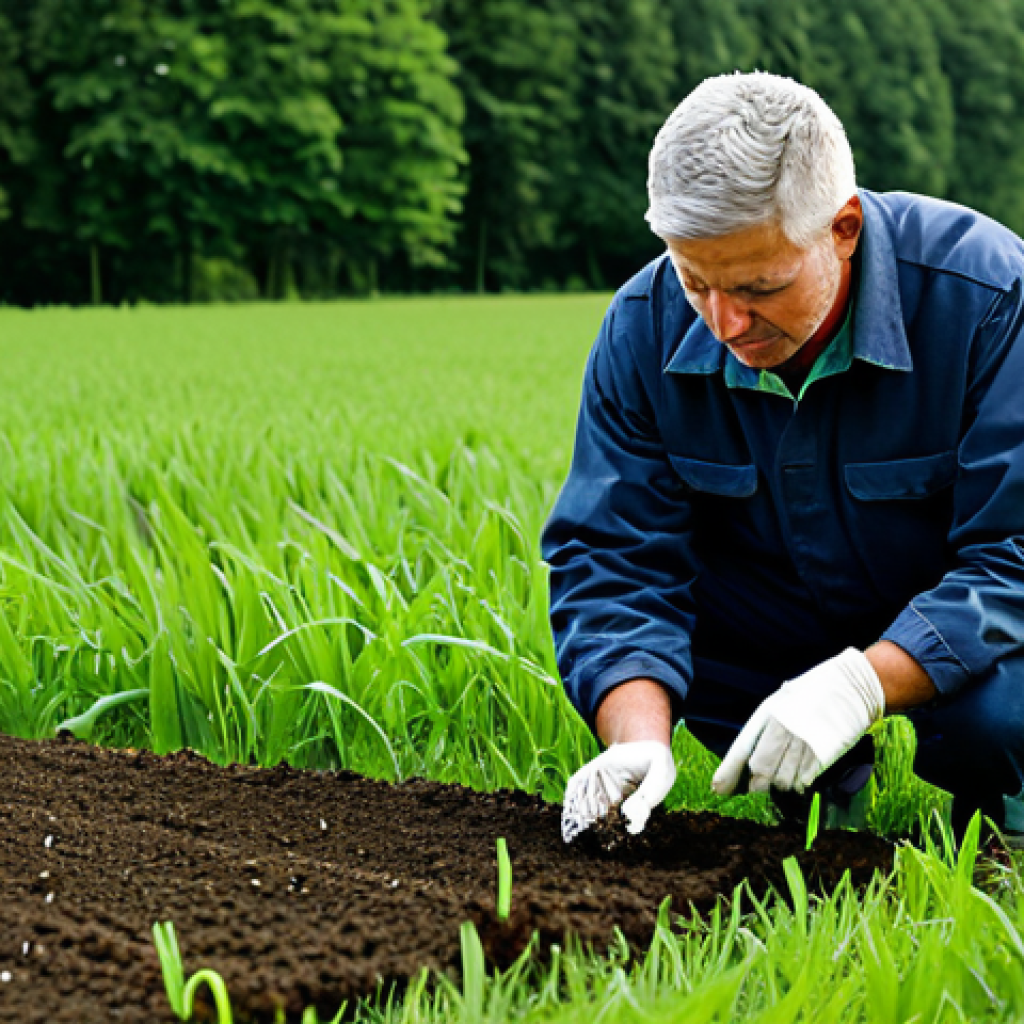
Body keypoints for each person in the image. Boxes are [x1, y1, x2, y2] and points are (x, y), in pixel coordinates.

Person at [541, 71, 1024, 845]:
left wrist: (860, 684)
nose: (725, 322)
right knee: (663, 645)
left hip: (955, 614)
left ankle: (1004, 832)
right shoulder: (642, 326)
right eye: (696, 282)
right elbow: (614, 558)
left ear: (844, 227)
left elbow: (1017, 553)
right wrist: (635, 735)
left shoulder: (989, 299)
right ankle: (816, 795)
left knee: (1003, 709)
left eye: (760, 286)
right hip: (779, 601)